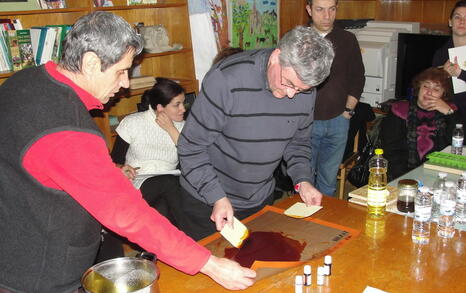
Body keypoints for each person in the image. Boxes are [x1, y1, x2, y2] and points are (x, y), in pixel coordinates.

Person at [0, 11, 255, 293]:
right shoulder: (66, 129)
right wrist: (210, 264)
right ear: (91, 63)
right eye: (121, 71)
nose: (125, 84)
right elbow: (127, 215)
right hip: (37, 275)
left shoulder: (26, 80)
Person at [175, 26, 335, 241]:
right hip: (206, 201)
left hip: (259, 199)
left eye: (301, 89)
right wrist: (216, 196)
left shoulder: (305, 89)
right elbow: (190, 147)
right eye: (288, 83)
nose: (291, 94)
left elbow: (298, 143)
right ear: (276, 57)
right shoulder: (226, 79)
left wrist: (303, 180)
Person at [306, 0, 365, 196]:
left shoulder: (347, 39)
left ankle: (324, 224)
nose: (327, 16)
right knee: (304, 180)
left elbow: (357, 77)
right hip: (305, 123)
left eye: (332, 9)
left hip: (338, 121)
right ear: (309, 10)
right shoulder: (298, 39)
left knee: (328, 180)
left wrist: (348, 111)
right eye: (320, 10)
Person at [111, 77, 185, 224]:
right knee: (169, 183)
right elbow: (114, 161)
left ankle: (169, 245)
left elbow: (191, 161)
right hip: (138, 184)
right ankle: (198, 237)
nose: (183, 109)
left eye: (183, 103)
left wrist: (171, 130)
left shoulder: (184, 127)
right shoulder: (133, 123)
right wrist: (121, 168)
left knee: (162, 210)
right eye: (177, 105)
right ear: (160, 108)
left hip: (170, 185)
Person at [380, 67, 457, 180]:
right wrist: (408, 178)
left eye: (436, 89)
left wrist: (449, 113)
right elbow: (391, 152)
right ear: (419, 87)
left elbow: (458, 145)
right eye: (426, 86)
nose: (429, 92)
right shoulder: (399, 110)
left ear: (443, 94)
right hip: (403, 174)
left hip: (441, 173)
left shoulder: (450, 111)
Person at [432, 0, 466, 127]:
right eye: (457, 17)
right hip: (448, 118)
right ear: (450, 22)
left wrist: (460, 74)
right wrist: (443, 75)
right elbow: (432, 88)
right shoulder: (440, 54)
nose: (462, 21)